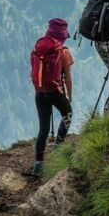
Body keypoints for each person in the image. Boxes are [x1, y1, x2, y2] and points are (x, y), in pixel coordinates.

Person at [31, 17, 73, 175]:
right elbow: (67, 77)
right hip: (55, 92)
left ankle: (38, 165)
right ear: (62, 36)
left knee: (43, 129)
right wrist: (69, 95)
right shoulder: (64, 52)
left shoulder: (39, 48)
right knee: (68, 114)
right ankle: (58, 147)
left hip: (40, 92)